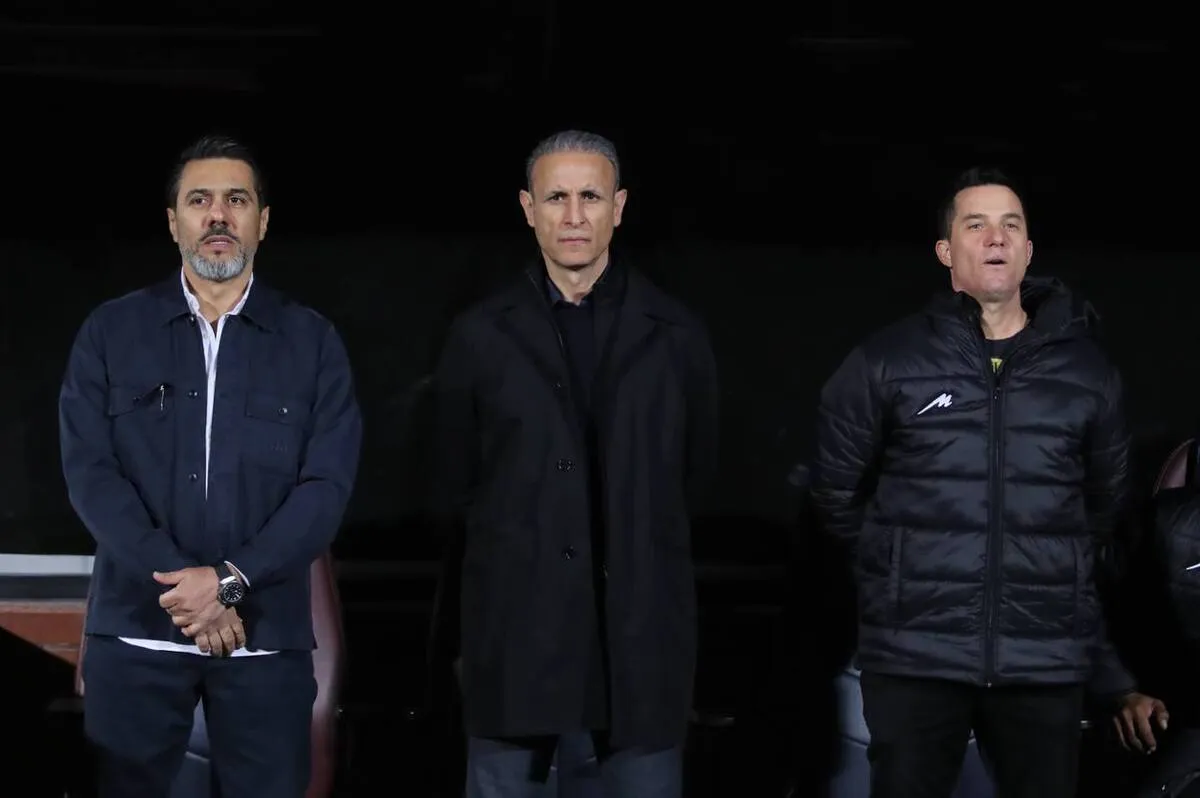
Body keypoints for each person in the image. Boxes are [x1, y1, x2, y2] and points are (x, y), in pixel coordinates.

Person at [810, 166, 1161, 797]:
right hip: (916, 657)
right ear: (945, 251)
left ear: (1028, 250)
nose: (996, 237)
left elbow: (1102, 509)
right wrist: (898, 567)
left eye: (1010, 225)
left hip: (1042, 660)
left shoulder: (1087, 374)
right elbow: (834, 493)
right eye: (976, 225)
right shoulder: (887, 360)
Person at [58, 133, 363, 798]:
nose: (218, 216)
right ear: (174, 223)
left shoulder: (312, 341)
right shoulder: (111, 333)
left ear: (263, 221)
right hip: (136, 643)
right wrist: (190, 591)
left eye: (236, 200)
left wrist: (228, 582)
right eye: (199, 201)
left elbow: (325, 488)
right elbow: (92, 476)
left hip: (266, 647)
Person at [429, 129, 719, 798]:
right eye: (556, 197)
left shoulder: (676, 335)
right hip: (515, 638)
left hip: (641, 643)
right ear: (528, 208)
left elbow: (698, 476)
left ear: (619, 206)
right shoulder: (478, 336)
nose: (574, 215)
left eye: (590, 196)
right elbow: (451, 483)